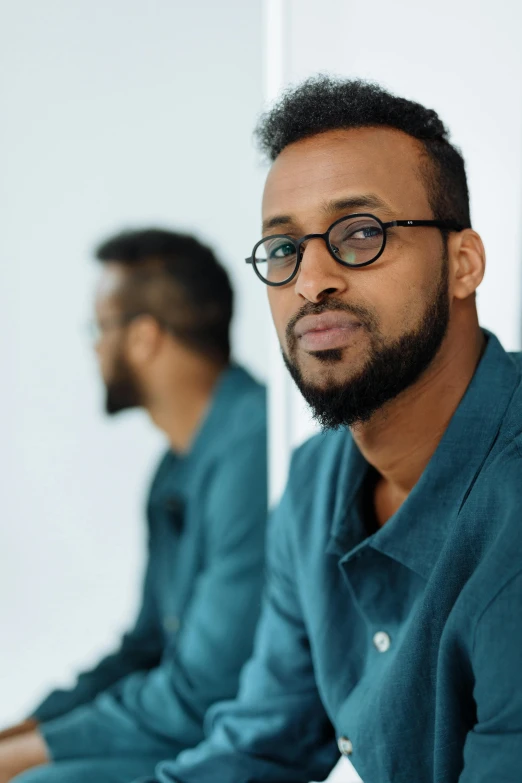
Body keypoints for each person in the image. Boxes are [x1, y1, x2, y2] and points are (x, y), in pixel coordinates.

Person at [136, 77, 522, 783]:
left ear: (463, 262)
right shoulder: (317, 482)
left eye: (360, 234)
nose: (311, 279)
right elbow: (260, 746)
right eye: (282, 249)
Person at [0, 229, 268, 783]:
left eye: (101, 327)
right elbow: (146, 647)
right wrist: (23, 731)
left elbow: (204, 690)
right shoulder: (173, 470)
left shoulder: (254, 449)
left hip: (240, 745)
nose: (96, 346)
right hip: (186, 728)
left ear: (145, 337)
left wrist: (25, 756)